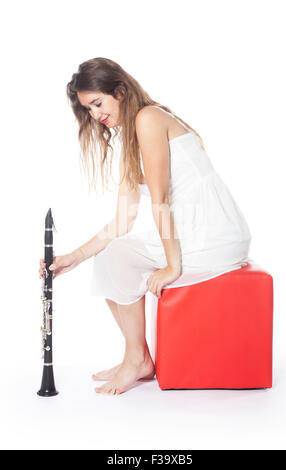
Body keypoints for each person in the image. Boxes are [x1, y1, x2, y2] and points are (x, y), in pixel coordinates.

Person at [39, 57, 252, 395]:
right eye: (88, 109)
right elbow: (122, 221)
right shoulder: (130, 136)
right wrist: (73, 257)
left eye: (97, 103)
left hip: (214, 233)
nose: (94, 115)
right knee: (111, 255)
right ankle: (136, 357)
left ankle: (136, 358)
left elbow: (161, 198)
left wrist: (172, 265)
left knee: (118, 257)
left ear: (120, 91)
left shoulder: (148, 119)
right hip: (195, 231)